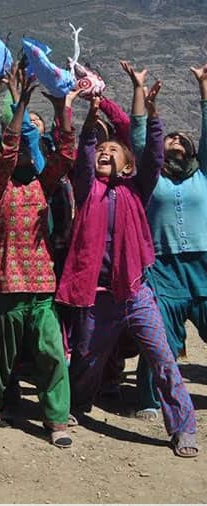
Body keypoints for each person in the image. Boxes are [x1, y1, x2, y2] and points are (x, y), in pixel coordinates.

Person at [56, 81, 198, 458]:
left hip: (136, 293)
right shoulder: (87, 188)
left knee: (163, 357)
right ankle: (76, 404)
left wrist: (152, 115)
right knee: (86, 357)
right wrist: (90, 117)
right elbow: (84, 153)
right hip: (97, 296)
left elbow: (153, 155)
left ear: (128, 162)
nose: (104, 153)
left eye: (112, 150)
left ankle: (182, 427)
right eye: (101, 150)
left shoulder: (138, 187)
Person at [0, 68, 76, 448]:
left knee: (52, 353)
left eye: (27, 158)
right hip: (8, 284)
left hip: (42, 287)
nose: (22, 160)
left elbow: (65, 154)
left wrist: (60, 109)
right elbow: (6, 148)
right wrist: (19, 104)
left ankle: (56, 420)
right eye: (17, 157)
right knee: (1, 358)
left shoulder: (42, 185)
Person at [128, 62, 207, 423]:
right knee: (160, 336)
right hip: (162, 267)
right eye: (170, 139)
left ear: (192, 152)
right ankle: (149, 397)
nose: (175, 142)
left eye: (182, 141)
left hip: (203, 266)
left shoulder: (203, 175)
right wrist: (139, 92)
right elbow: (141, 139)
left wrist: (204, 91)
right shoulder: (151, 178)